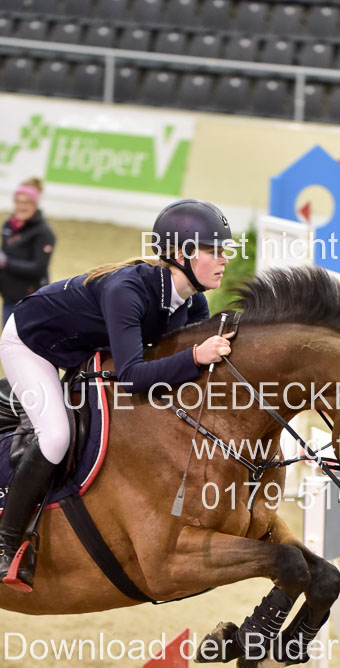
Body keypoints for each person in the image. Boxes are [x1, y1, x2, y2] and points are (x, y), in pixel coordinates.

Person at [0, 198, 235, 591]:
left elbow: (182, 378)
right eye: (214, 251)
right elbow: (131, 377)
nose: (224, 259)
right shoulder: (127, 290)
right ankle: (6, 543)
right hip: (30, 344)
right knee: (56, 436)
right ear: (182, 255)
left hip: (81, 350)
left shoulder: (194, 302)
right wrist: (196, 356)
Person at [0, 178, 56, 327]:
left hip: (30, 299)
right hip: (8, 296)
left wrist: (6, 263)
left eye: (26, 202)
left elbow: (38, 268)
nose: (21, 206)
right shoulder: (8, 225)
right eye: (18, 201)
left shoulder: (44, 232)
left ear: (35, 204)